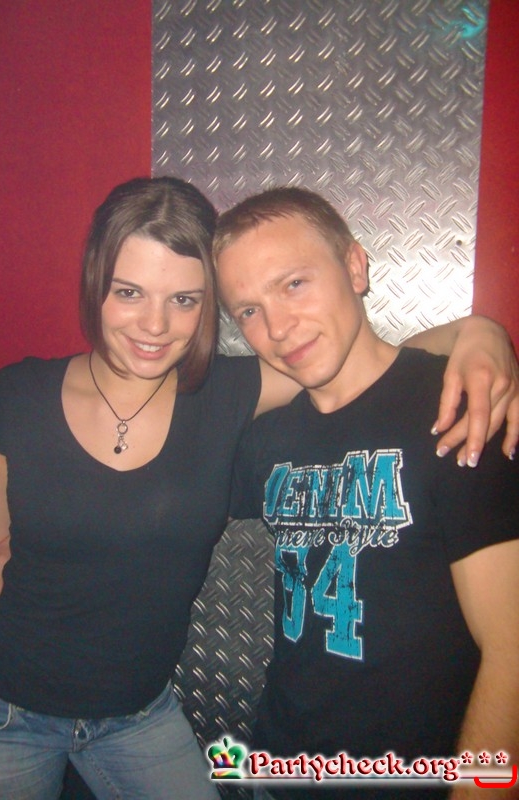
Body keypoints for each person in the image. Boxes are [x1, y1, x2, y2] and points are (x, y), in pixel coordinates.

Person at [0, 176, 517, 799]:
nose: (155, 324)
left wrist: (478, 334)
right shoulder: (20, 396)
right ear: (96, 283)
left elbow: (367, 373)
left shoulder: (232, 395)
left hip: (137, 715)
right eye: (129, 292)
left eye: (184, 299)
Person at [213, 186, 519, 799]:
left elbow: (512, 649)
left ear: (355, 266)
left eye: (294, 283)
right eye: (248, 311)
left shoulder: (453, 405)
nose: (276, 328)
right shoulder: (265, 440)